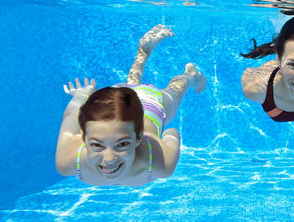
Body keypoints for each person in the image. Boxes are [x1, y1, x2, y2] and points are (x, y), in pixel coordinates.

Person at [55, 25, 206, 186]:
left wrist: (81, 96)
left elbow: (171, 132)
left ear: (139, 137)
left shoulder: (160, 161)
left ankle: (189, 75)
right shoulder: (68, 158)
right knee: (138, 91)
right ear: (83, 137)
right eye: (97, 145)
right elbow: (72, 117)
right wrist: (81, 95)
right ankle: (144, 52)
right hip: (119, 99)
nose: (109, 159)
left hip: (149, 106)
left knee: (174, 94)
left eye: (122, 144)